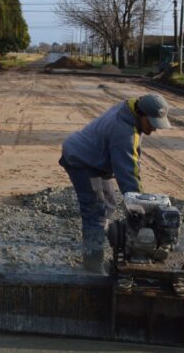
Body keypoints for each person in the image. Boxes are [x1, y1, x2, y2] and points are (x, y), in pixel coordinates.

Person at [59, 93, 171, 274]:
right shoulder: (124, 133)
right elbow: (127, 174)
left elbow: (130, 163)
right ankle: (92, 266)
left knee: (110, 202)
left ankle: (101, 237)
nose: (154, 129)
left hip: (96, 159)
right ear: (141, 114)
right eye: (151, 123)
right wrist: (139, 207)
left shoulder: (129, 109)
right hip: (81, 160)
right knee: (95, 211)